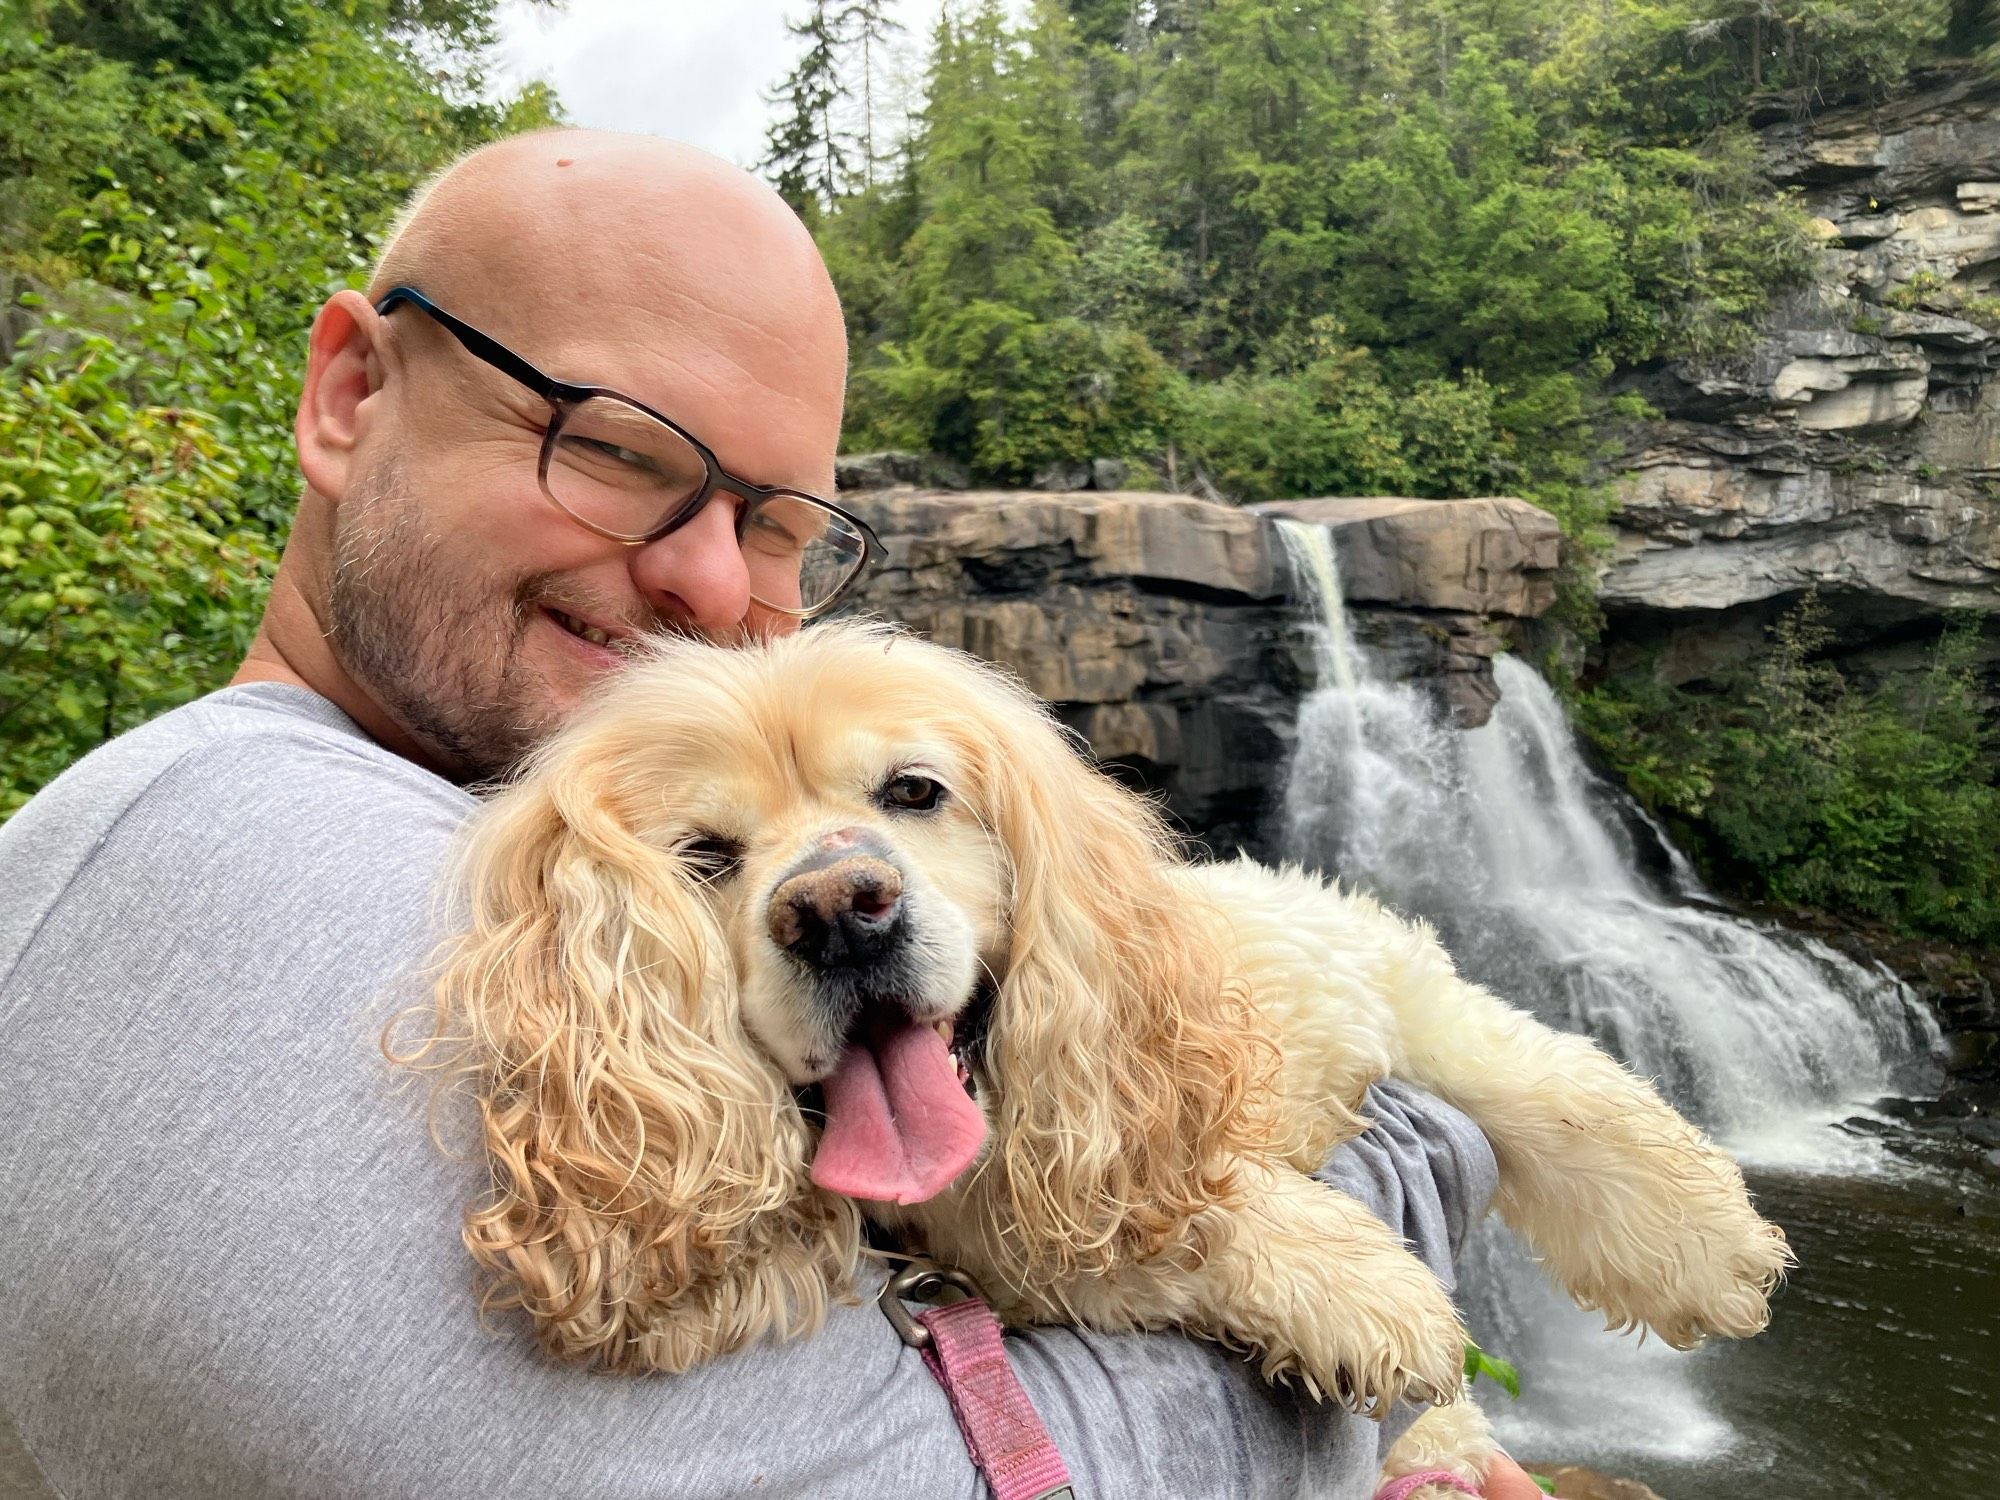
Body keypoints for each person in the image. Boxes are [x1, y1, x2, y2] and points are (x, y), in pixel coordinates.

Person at [0, 129, 1541, 1500]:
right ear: (349, 395)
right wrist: (1410, 1146)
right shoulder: (246, 858)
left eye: (782, 523)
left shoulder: (556, 874)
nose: (717, 590)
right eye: (612, 448)